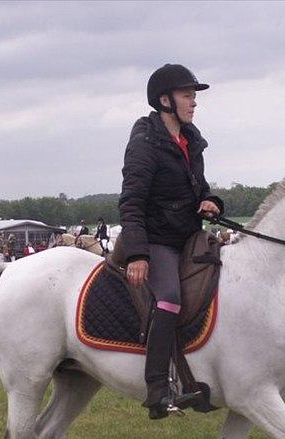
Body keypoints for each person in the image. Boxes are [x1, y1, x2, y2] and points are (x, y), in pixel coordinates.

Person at [119, 63, 224, 419]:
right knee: (169, 300)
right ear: (164, 100)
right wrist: (137, 254)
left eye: (194, 96)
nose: (194, 103)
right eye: (187, 96)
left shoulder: (190, 140)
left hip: (190, 236)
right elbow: (131, 202)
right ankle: (157, 391)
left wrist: (211, 202)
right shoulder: (144, 143)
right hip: (157, 240)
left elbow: (199, 188)